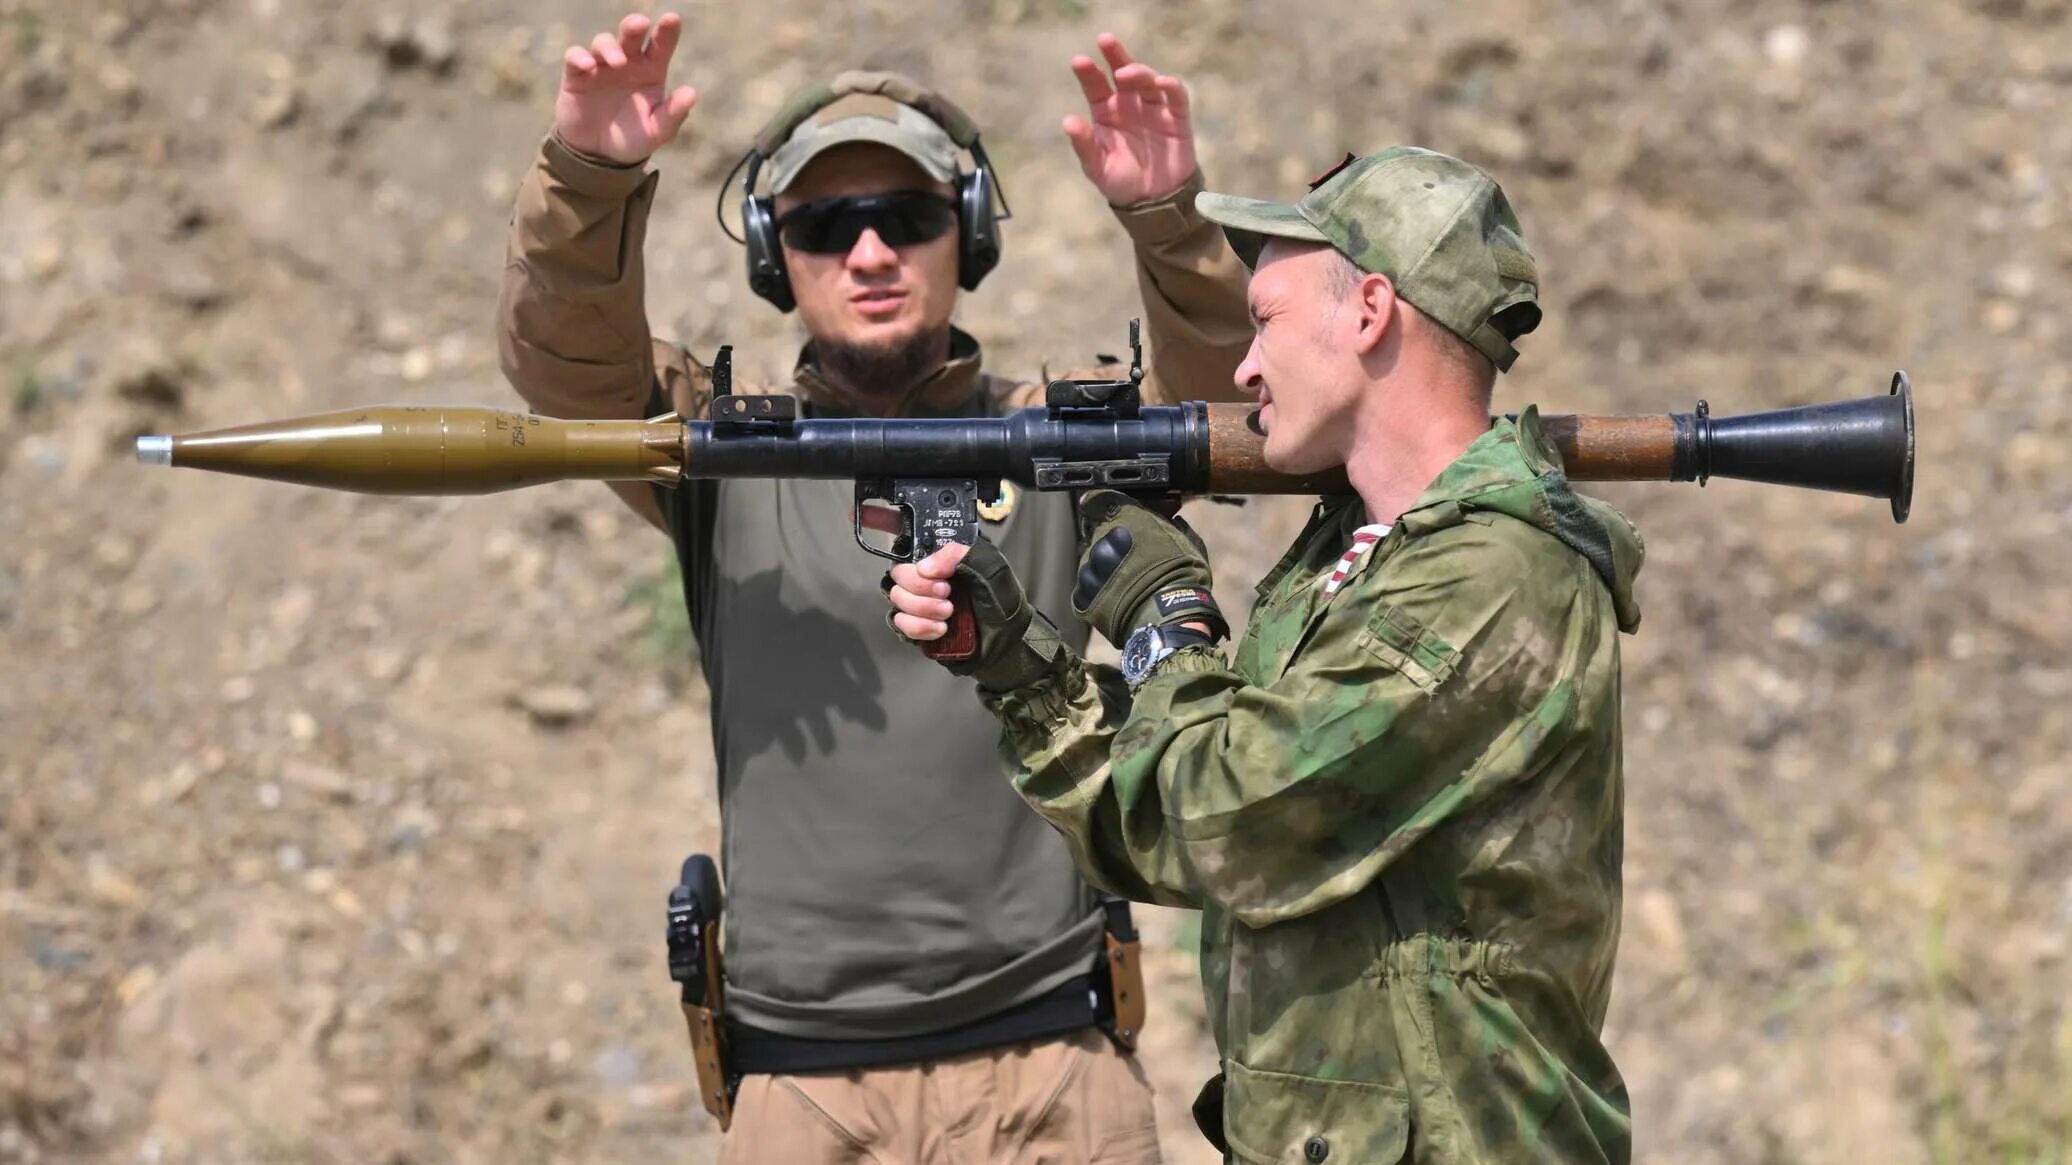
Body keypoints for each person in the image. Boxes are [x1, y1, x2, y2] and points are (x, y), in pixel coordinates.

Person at [497, 11, 1252, 1163]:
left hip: (1050, 1074)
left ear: (967, 235)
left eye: (904, 217)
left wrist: (1166, 222)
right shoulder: (713, 452)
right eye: (823, 225)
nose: (868, 254)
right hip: (805, 1093)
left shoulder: (1053, 434)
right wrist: (590, 178)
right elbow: (568, 370)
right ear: (771, 253)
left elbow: (1235, 413)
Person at [887, 147, 1644, 1163]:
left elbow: (1227, 814)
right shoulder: (1354, 559)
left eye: (1265, 322)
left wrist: (1165, 614)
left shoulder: (1492, 575)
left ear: (1369, 310)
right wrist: (1017, 663)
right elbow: (1169, 824)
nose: (1243, 370)